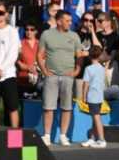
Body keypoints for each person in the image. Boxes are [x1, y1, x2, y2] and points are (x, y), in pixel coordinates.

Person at [37, 10, 86, 146]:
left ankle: (63, 136)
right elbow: (39, 55)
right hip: (51, 76)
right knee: (48, 107)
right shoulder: (46, 34)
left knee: (67, 107)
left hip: (68, 76)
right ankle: (47, 136)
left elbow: (79, 55)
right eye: (67, 21)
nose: (70, 23)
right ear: (59, 22)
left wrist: (76, 71)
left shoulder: (74, 36)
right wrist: (45, 72)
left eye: (71, 21)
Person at [81, 46, 107, 148]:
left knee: (96, 118)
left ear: (89, 55)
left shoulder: (88, 69)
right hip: (99, 97)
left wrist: (83, 96)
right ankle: (92, 138)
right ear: (100, 55)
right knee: (94, 118)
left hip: (92, 97)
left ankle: (101, 140)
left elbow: (85, 84)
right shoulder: (102, 68)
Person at [16, 23, 41, 95]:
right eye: (27, 29)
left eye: (32, 29)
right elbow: (16, 62)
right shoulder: (19, 44)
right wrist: (28, 68)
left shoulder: (41, 44)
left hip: (39, 81)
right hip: (23, 80)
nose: (29, 32)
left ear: (36, 31)